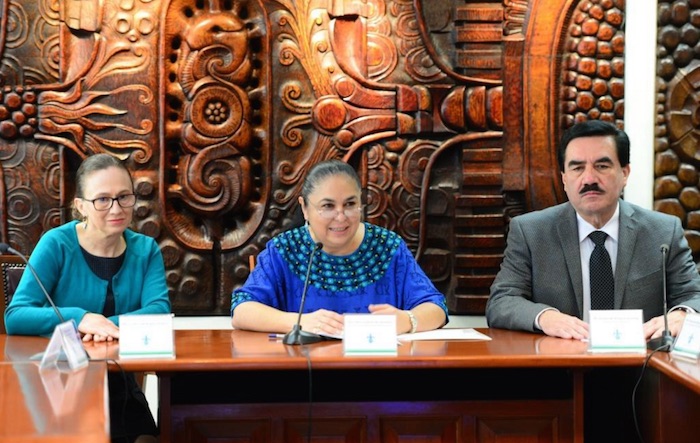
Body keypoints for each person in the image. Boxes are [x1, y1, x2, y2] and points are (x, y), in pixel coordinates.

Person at [4, 153, 171, 443]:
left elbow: (158, 312)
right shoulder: (56, 244)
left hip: (123, 388)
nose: (116, 208)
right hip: (65, 389)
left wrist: (104, 326)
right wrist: (81, 319)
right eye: (102, 200)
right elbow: (15, 316)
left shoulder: (146, 249)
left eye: (124, 197)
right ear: (80, 205)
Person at [486, 120, 700, 341]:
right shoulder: (531, 232)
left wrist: (683, 314)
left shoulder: (663, 231)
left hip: (641, 368)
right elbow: (501, 301)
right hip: (560, 367)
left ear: (624, 173)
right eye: (577, 168)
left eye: (602, 166)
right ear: (564, 179)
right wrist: (545, 317)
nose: (589, 179)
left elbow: (694, 295)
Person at [231, 159, 448, 336]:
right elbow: (242, 310)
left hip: (378, 369)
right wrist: (300, 322)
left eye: (350, 204)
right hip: (303, 374)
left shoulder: (388, 247)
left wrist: (408, 320)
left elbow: (436, 307)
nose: (341, 217)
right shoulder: (284, 249)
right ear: (304, 208)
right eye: (327, 206)